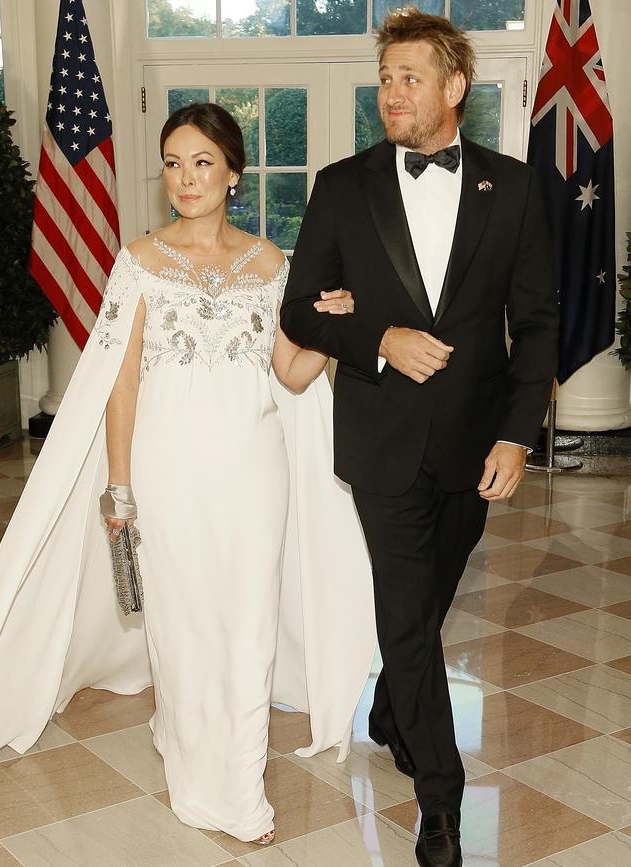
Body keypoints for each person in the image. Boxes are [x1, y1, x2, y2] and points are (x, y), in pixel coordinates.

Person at [0, 103, 376, 845]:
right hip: (167, 471)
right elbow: (119, 383)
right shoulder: (140, 261)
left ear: (233, 172)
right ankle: (203, 774)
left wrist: (334, 328)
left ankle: (240, 778)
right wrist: (120, 486)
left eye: (202, 162)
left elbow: (290, 374)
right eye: (173, 163)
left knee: (249, 623)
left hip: (255, 474)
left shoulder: (271, 265)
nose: (186, 178)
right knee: (183, 624)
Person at [280, 8, 559, 867]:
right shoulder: (341, 184)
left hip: (476, 447)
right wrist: (377, 341)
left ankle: (396, 709)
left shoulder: (511, 188)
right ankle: (439, 802)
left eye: (408, 76)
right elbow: (297, 309)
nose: (389, 91)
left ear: (454, 89)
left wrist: (518, 436)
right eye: (385, 76)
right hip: (383, 440)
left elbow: (539, 323)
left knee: (428, 605)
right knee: (404, 613)